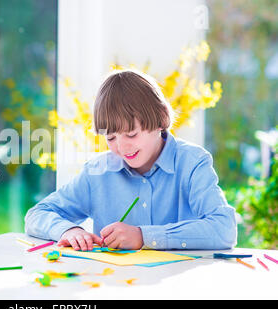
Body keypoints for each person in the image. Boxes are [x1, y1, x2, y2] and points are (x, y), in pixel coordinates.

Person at [25, 69, 237, 251]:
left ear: (161, 119)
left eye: (132, 134)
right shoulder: (97, 172)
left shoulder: (193, 163)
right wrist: (69, 229)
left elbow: (224, 229)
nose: (122, 147)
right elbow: (37, 214)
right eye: (111, 138)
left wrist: (144, 237)